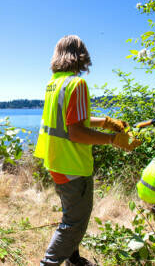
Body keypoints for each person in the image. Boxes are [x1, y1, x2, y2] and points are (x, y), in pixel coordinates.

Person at [34, 35, 141, 266]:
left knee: (70, 214)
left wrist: (103, 122)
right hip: (73, 166)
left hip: (55, 162)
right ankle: (48, 263)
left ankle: (73, 259)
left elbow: (70, 121)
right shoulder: (77, 84)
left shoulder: (54, 83)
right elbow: (76, 133)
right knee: (74, 223)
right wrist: (114, 139)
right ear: (81, 56)